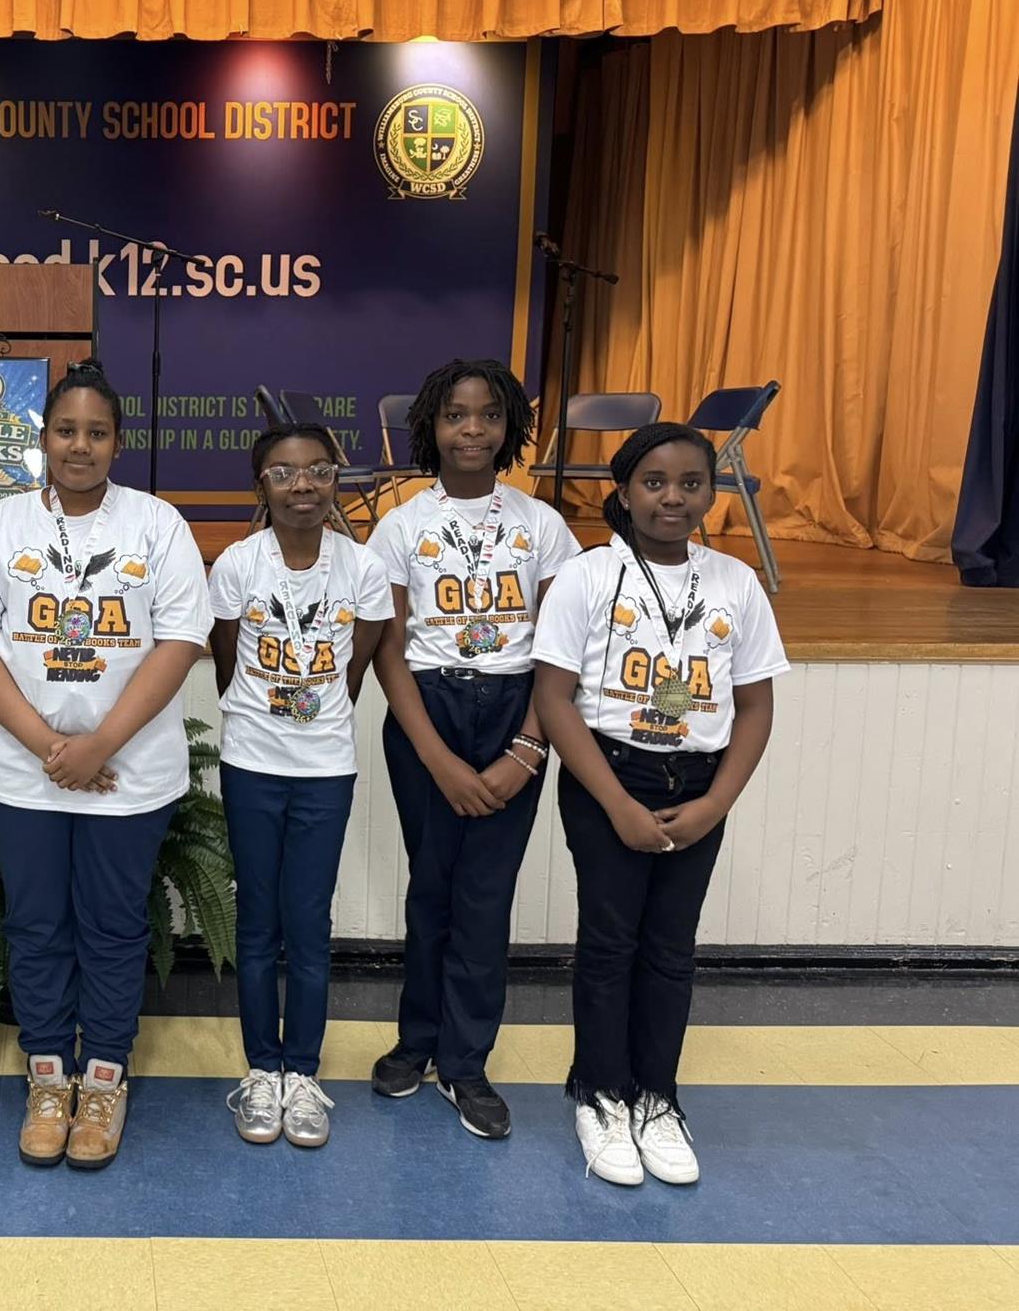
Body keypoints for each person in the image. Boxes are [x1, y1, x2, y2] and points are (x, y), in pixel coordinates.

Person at [0, 361, 210, 1171]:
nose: (80, 445)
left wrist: (99, 745)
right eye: (66, 429)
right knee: (34, 925)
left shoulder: (157, 524)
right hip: (24, 772)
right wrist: (47, 747)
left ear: (118, 443)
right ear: (42, 439)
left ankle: (103, 1076)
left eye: (97, 432)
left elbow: (180, 640)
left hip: (128, 772)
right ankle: (47, 1074)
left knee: (112, 925)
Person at [532, 421, 787, 1187]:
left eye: (690, 483)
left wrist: (716, 803)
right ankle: (601, 1092)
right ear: (623, 491)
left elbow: (757, 707)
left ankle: (657, 1098)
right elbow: (553, 697)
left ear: (712, 492)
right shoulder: (587, 576)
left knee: (671, 949)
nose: (672, 497)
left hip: (698, 785)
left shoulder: (736, 582)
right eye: (654, 482)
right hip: (608, 777)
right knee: (610, 944)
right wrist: (614, 803)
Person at [365, 359, 580, 1140]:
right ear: (432, 424)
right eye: (456, 415)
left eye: (489, 415)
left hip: (513, 708)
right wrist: (437, 756)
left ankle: (466, 1061)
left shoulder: (543, 525)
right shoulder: (399, 526)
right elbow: (389, 650)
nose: (472, 430)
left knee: (484, 898)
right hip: (430, 708)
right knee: (433, 887)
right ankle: (416, 1040)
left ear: (510, 427)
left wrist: (527, 745)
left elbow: (561, 650)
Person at [209, 423, 391, 1148]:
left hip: (324, 767)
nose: (303, 485)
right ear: (261, 484)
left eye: (318, 470)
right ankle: (261, 1070)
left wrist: (313, 715)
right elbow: (226, 663)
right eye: (284, 473)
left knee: (309, 923)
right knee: (258, 922)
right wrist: (266, 713)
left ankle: (303, 1072)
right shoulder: (236, 565)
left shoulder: (363, 569)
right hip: (252, 761)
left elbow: (358, 666)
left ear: (336, 480)